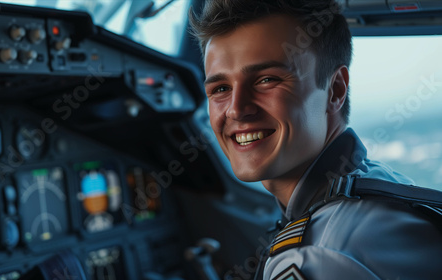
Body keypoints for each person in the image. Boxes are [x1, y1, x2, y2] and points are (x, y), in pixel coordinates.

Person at [189, 0, 442, 279]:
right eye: (221, 88)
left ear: (335, 90)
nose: (236, 109)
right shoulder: (377, 183)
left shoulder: (317, 256)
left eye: (266, 80)